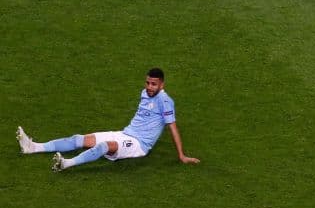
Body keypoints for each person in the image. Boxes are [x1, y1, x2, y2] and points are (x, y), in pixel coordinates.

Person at [16, 67, 200, 171]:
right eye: (148, 83)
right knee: (79, 139)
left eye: (154, 84)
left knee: (104, 147)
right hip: (125, 134)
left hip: (139, 145)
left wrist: (181, 156)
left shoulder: (165, 101)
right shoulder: (144, 93)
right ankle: (33, 147)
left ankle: (66, 163)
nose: (149, 87)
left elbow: (173, 128)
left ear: (162, 84)